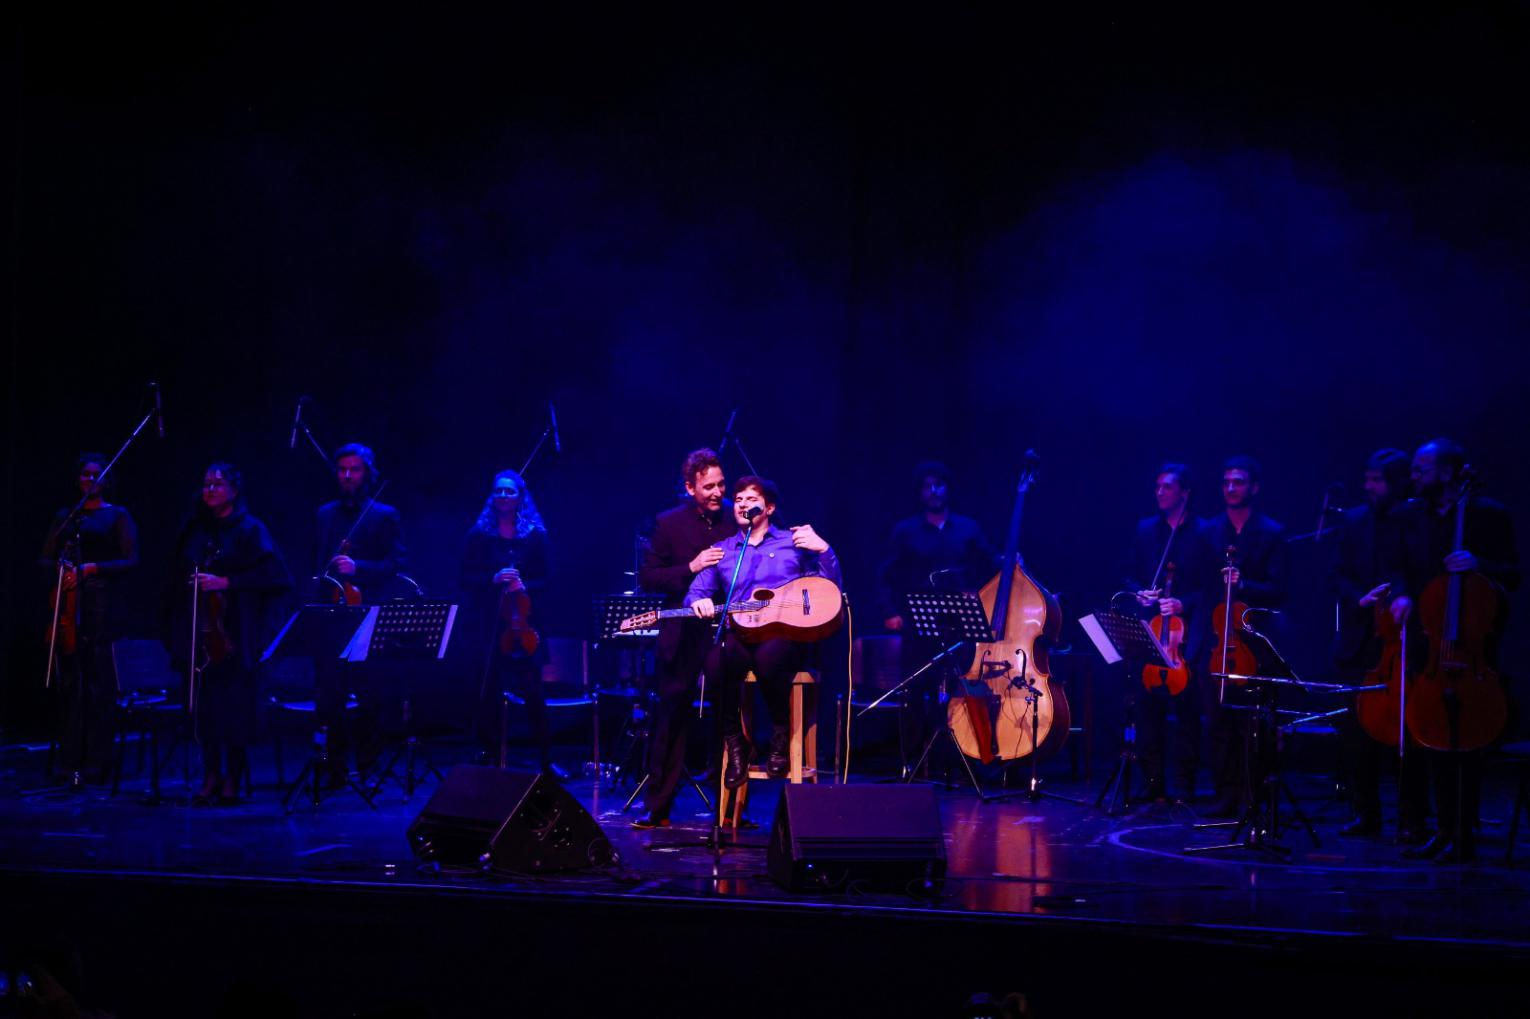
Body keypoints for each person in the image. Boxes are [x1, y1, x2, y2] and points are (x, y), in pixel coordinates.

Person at [1394, 438, 1519, 863]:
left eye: (1420, 469)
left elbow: (1515, 573)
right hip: (1430, 644)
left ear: (1447, 473)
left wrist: (1479, 564)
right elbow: (1402, 569)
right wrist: (1403, 595)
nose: (1413, 477)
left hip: (1472, 646)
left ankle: (1464, 830)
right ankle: (1443, 828)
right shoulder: (1413, 515)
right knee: (1431, 738)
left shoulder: (1489, 514)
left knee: (1470, 741)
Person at [688, 476, 842, 787]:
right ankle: (735, 743)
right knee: (716, 661)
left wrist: (824, 549)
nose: (743, 504)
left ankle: (780, 733)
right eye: (739, 500)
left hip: (786, 635)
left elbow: (830, 587)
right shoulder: (724, 550)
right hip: (742, 634)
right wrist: (699, 600)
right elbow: (696, 591)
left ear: (769, 507)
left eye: (751, 499)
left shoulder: (792, 541)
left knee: (771, 656)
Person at [167, 463, 291, 804]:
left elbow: (277, 577)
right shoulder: (195, 529)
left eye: (218, 484)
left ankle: (233, 777)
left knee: (234, 709)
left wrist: (227, 583)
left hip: (236, 634)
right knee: (205, 710)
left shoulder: (251, 529)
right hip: (200, 632)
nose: (210, 489)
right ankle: (210, 775)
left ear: (235, 490)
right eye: (206, 483)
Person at [1328, 448, 1429, 842]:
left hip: (1407, 638)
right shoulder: (1353, 521)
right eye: (1367, 479)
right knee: (1357, 733)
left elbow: (1421, 572)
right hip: (1361, 639)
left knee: (1410, 732)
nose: (1369, 487)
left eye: (1378, 480)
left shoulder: (1415, 519)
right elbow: (1336, 575)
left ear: (1400, 482)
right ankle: (1365, 813)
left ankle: (1413, 818)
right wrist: (1360, 598)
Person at [631, 448, 735, 828]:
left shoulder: (734, 518)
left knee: (729, 712)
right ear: (690, 486)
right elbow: (650, 577)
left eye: (721, 484)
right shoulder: (669, 523)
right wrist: (691, 568)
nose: (717, 491)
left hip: (724, 627)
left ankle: (732, 810)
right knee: (672, 715)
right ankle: (658, 806)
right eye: (709, 486)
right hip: (682, 630)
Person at [38, 454, 139, 783]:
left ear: (107, 480)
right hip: (69, 606)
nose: (91, 478)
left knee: (98, 684)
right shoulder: (67, 517)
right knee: (71, 683)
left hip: (103, 605)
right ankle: (70, 759)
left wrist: (92, 569)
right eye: (85, 474)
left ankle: (98, 761)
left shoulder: (118, 516)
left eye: (98, 474)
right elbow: (45, 557)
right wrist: (62, 569)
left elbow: (131, 561)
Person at [313, 443, 406, 784]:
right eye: (342, 470)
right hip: (333, 618)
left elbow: (397, 564)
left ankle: (368, 767)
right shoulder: (325, 515)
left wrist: (359, 567)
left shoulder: (384, 514)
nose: (348, 476)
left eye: (355, 470)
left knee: (370, 697)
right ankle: (334, 768)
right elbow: (319, 562)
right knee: (330, 698)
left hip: (368, 616)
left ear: (368, 474)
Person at [1200, 456, 1288, 817]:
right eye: (1226, 482)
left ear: (1254, 487)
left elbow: (1280, 589)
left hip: (1256, 641)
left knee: (1253, 722)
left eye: (1238, 482)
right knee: (1219, 719)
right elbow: (1199, 584)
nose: (1231, 488)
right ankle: (1225, 794)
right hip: (1217, 639)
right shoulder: (1209, 531)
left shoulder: (1272, 532)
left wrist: (1244, 584)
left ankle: (1254, 793)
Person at [458, 469, 555, 773]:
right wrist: (493, 578)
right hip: (489, 625)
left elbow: (548, 580)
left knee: (533, 692)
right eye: (498, 491)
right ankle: (489, 755)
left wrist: (523, 584)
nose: (503, 496)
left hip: (525, 625)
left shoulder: (535, 535)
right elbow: (463, 578)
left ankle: (545, 759)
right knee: (487, 692)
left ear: (520, 497)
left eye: (509, 491)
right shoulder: (479, 535)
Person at [1124, 463, 1209, 802]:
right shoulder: (1145, 531)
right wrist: (1139, 593)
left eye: (1168, 487)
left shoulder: (1204, 532)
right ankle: (1152, 782)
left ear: (1185, 492)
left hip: (1186, 635)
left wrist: (1182, 603)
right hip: (1151, 629)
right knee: (1148, 711)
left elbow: (1209, 587)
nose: (1160, 492)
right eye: (1157, 486)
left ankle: (1186, 782)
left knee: (1188, 713)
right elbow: (1128, 575)